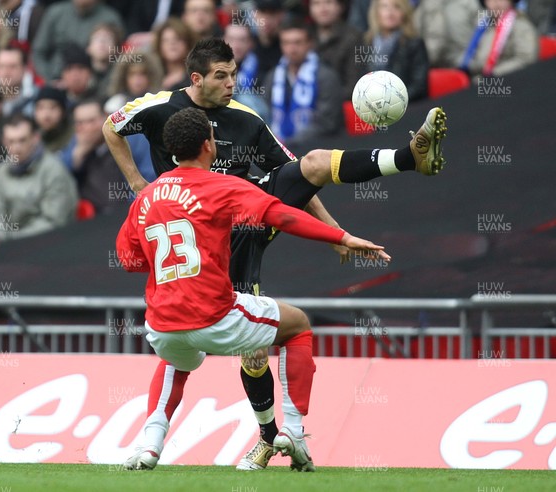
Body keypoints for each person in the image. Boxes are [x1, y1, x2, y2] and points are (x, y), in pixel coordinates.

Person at [103, 37, 447, 471]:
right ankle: (271, 437)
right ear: (196, 79)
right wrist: (136, 182)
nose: (232, 83)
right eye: (221, 76)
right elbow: (110, 126)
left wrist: (335, 228)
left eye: (234, 73)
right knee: (253, 352)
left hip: (241, 225)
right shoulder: (157, 108)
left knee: (315, 162)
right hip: (206, 239)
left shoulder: (245, 120)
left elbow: (296, 181)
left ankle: (407, 157)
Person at [118, 107, 392, 471]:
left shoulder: (148, 196)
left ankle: (150, 443)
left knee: (176, 358)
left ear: (170, 152)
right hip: (215, 315)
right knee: (296, 325)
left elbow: (128, 258)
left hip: (161, 323)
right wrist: (342, 236)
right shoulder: (223, 186)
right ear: (208, 145)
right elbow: (283, 216)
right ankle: (292, 431)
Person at [0, 113, 77, 241]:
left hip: (51, 244)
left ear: (35, 138)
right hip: (9, 246)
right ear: (4, 142)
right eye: (11, 141)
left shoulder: (53, 170)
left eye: (22, 140)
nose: (16, 148)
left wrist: (12, 240)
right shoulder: (1, 171)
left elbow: (54, 222)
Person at [264, 17, 344, 146]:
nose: (292, 49)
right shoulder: (273, 76)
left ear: (310, 43)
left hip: (318, 149)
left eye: (298, 42)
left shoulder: (327, 77)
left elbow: (326, 124)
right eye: (286, 42)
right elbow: (264, 114)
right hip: (277, 150)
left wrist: (287, 143)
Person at [31, 0, 125, 82]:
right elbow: (38, 51)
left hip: (95, 83)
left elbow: (118, 57)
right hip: (55, 77)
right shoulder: (55, 13)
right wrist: (49, 80)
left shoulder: (110, 18)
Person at [61, 99, 127, 212]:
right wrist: (79, 153)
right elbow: (60, 178)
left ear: (106, 118)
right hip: (94, 221)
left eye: (91, 121)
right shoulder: (73, 147)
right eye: (80, 123)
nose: (87, 128)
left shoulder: (125, 141)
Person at [356, 0, 429, 101]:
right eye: (384, 7)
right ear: (376, 12)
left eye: (397, 7)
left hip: (406, 107)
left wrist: (392, 102)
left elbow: (419, 86)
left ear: (404, 13)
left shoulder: (414, 44)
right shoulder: (366, 43)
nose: (390, 13)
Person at [460, 0, 538, 77]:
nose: (496, 2)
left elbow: (526, 60)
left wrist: (494, 73)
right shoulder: (484, 26)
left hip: (510, 80)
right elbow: (476, 57)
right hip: (479, 78)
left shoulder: (521, 25)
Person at [310, 0, 363, 101]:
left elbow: (355, 84)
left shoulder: (354, 38)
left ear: (341, 6)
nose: (322, 9)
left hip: (342, 106)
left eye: (328, 2)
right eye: (316, 3)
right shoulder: (306, 36)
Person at [152, 18, 195, 92]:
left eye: (178, 39)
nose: (172, 43)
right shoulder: (151, 77)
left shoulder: (196, 78)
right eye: (166, 40)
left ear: (188, 43)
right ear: (159, 46)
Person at [33, 85, 73, 153]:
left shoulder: (73, 137)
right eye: (41, 108)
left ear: (63, 112)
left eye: (53, 107)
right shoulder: (30, 137)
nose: (46, 114)